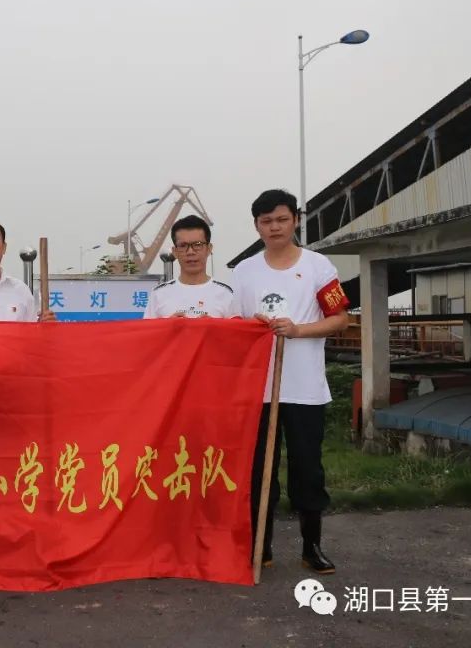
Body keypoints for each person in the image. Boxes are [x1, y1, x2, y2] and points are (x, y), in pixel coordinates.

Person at [231, 189, 350, 574]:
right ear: (256, 226)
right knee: (258, 469)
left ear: (295, 220)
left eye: (282, 219)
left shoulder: (319, 267)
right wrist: (253, 327)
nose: (275, 227)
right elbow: (233, 324)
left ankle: (311, 547)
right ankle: (260, 546)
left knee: (308, 469)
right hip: (259, 390)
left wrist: (297, 330)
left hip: (305, 389)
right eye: (266, 221)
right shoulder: (244, 271)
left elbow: (340, 319)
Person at [143, 215, 239, 319]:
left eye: (197, 244)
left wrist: (213, 326)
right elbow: (148, 329)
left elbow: (236, 329)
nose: (190, 252)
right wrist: (169, 325)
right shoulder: (158, 294)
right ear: (175, 251)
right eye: (183, 246)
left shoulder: (226, 294)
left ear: (209, 249)